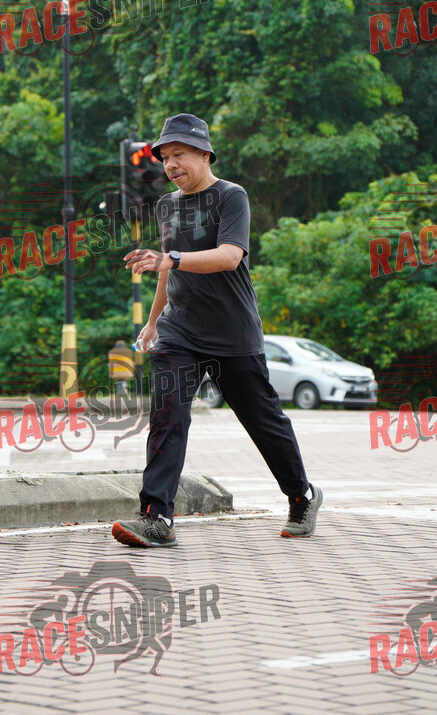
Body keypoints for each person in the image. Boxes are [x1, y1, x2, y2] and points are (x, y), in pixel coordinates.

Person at [112, 113, 322, 548]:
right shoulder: (166, 206)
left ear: (205, 154)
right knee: (167, 417)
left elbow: (229, 256)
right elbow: (167, 270)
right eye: (165, 158)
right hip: (179, 332)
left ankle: (302, 495)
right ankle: (156, 516)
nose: (171, 165)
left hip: (233, 334)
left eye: (179, 154)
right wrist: (152, 322)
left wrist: (172, 259)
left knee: (263, 422)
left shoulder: (231, 196)